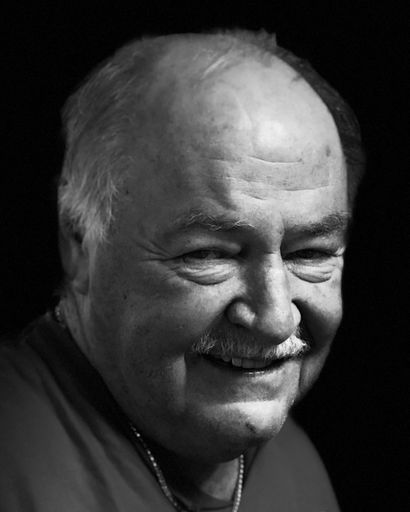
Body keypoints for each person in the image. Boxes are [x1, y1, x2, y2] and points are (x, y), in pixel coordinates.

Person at [0, 29, 365, 511]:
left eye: (310, 254)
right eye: (211, 254)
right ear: (80, 246)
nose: (276, 319)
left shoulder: (295, 464)